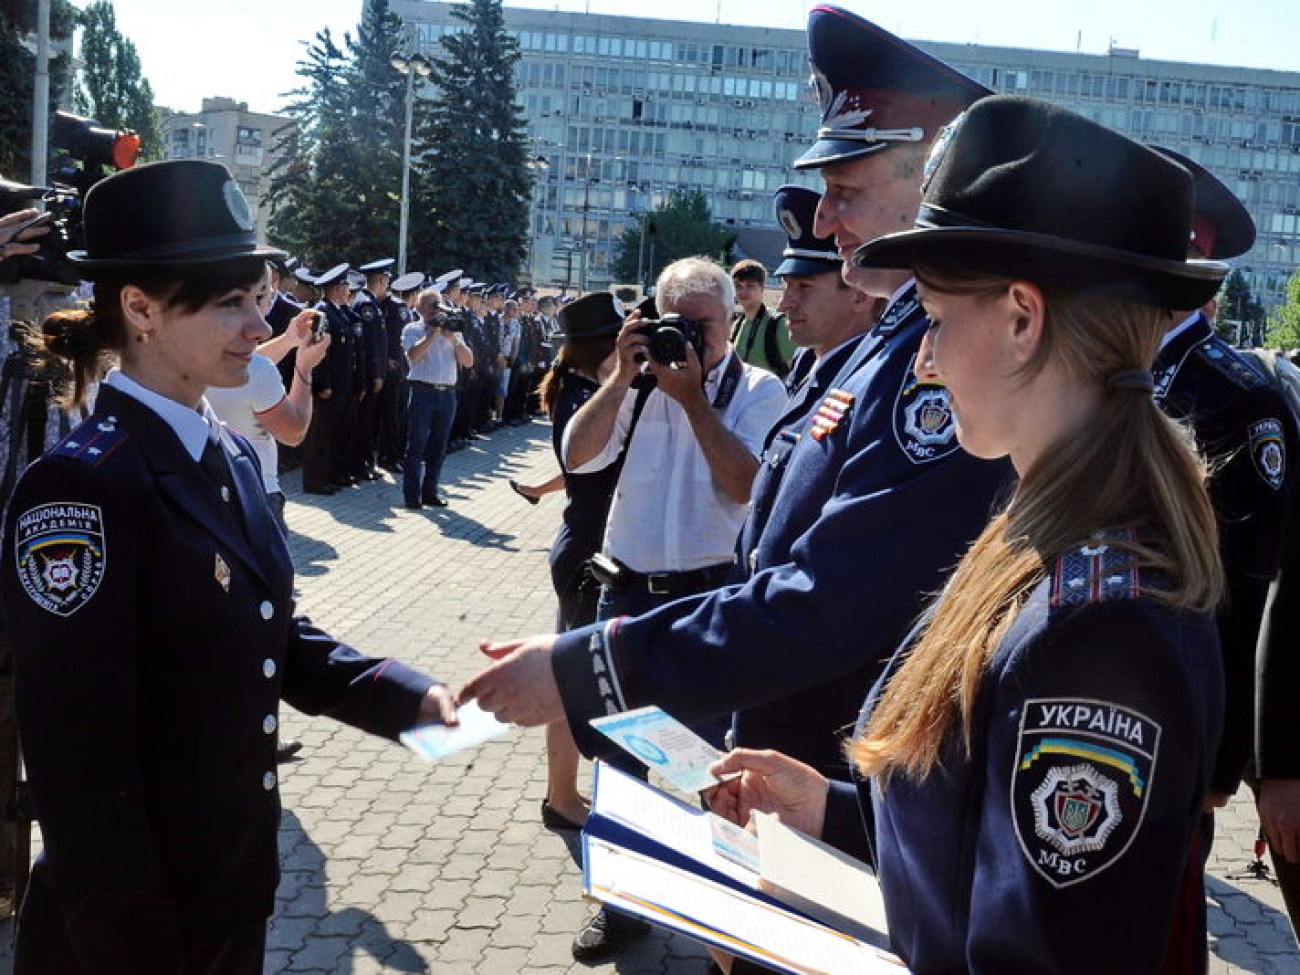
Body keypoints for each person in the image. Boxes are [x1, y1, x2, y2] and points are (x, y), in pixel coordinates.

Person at [708, 94, 1228, 975]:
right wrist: (831, 810)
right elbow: (974, 837)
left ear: (1024, 320)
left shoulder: (1104, 634)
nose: (924, 360)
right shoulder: (1040, 535)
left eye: (939, 321)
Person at [459, 9, 1003, 788]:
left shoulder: (935, 368)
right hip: (799, 752)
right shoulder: (885, 346)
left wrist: (592, 666)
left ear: (926, 187)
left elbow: (830, 601)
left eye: (843, 189)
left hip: (845, 773)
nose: (824, 218)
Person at [0, 158, 457, 973]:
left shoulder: (224, 451)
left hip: (225, 889)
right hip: (133, 924)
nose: (260, 324)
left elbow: (262, 630)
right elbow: (78, 766)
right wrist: (135, 940)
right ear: (139, 308)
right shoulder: (82, 488)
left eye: (257, 297)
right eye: (230, 303)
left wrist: (418, 701)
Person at [558, 257, 787, 959]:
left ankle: (728, 916)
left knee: (711, 767)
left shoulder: (758, 388)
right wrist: (625, 377)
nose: (689, 337)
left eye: (703, 324)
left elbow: (747, 484)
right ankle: (624, 905)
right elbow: (578, 456)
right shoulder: (635, 384)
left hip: (708, 596)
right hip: (626, 594)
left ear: (732, 321)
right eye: (674, 322)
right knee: (622, 763)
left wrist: (694, 400)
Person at [532, 292, 623, 831]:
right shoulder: (580, 396)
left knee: (574, 677)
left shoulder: (585, 388)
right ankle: (561, 797)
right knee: (575, 684)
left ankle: (562, 795)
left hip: (587, 548)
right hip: (588, 555)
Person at [206, 263, 328, 536]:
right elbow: (293, 432)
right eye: (263, 296)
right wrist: (304, 369)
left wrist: (288, 340)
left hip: (206, 493)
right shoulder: (259, 372)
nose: (264, 325)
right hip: (256, 491)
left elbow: (248, 365)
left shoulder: (187, 358)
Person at [402, 288, 473, 509]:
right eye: (431, 305)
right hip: (423, 392)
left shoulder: (453, 331)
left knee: (439, 446)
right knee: (417, 445)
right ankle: (412, 496)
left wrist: (454, 340)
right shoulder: (413, 328)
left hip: (447, 394)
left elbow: (469, 361)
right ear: (420, 308)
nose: (436, 309)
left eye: (438, 304)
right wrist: (431, 335)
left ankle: (430, 492)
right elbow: (413, 356)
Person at [729, 258, 795, 380]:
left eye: (750, 286)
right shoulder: (737, 324)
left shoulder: (778, 324)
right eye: (738, 285)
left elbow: (796, 372)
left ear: (762, 287)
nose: (743, 291)